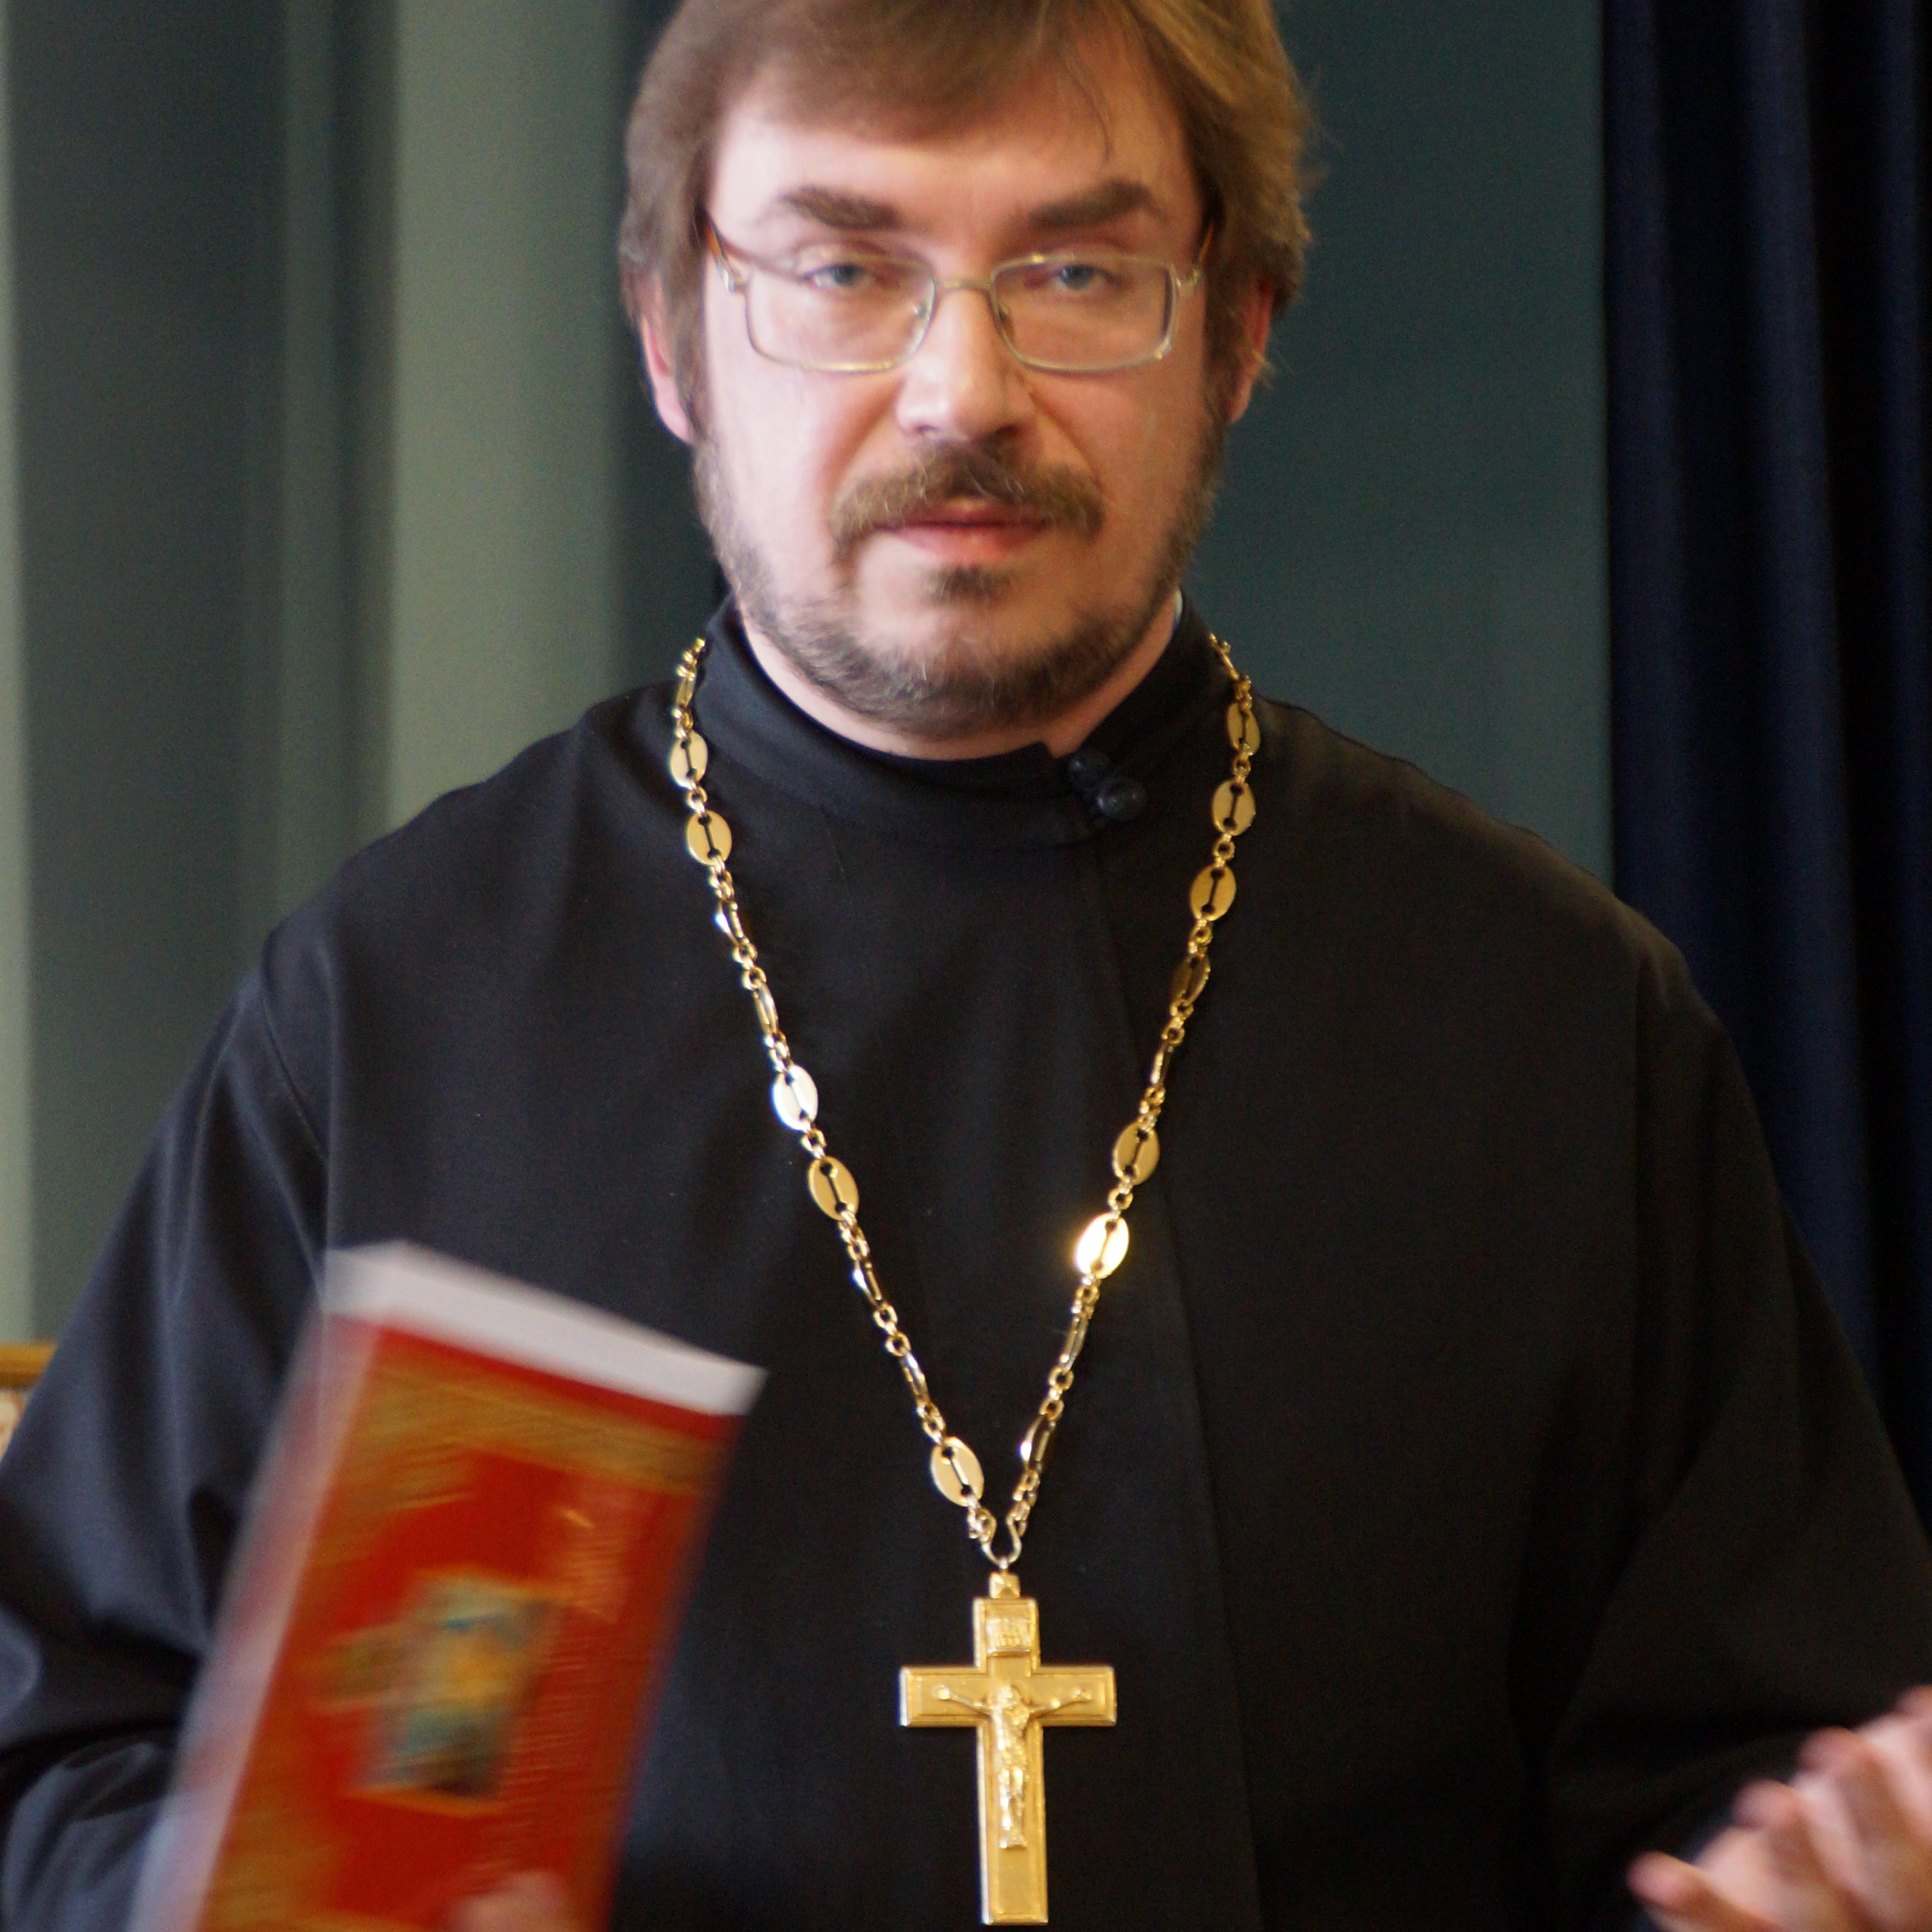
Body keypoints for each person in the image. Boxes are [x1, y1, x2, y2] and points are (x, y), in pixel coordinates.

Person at [4, 2, 1932, 1927]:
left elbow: (1751, 1787)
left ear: (1238, 335)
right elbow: (70, 1760)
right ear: (672, 338)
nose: (961, 391)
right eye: (844, 269)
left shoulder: (1549, 1028)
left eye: (1076, 272)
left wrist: (1816, 1889)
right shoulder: (398, 1015)